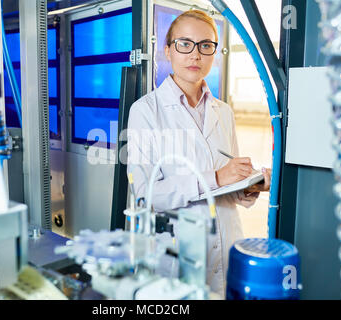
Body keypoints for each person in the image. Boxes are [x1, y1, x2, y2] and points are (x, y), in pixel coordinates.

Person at [126, 9, 272, 298]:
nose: (195, 55)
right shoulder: (145, 111)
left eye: (206, 45)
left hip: (228, 246)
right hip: (179, 251)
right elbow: (146, 193)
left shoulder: (224, 112)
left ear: (215, 53)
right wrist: (216, 177)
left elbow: (227, 184)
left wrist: (248, 186)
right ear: (168, 50)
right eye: (185, 44)